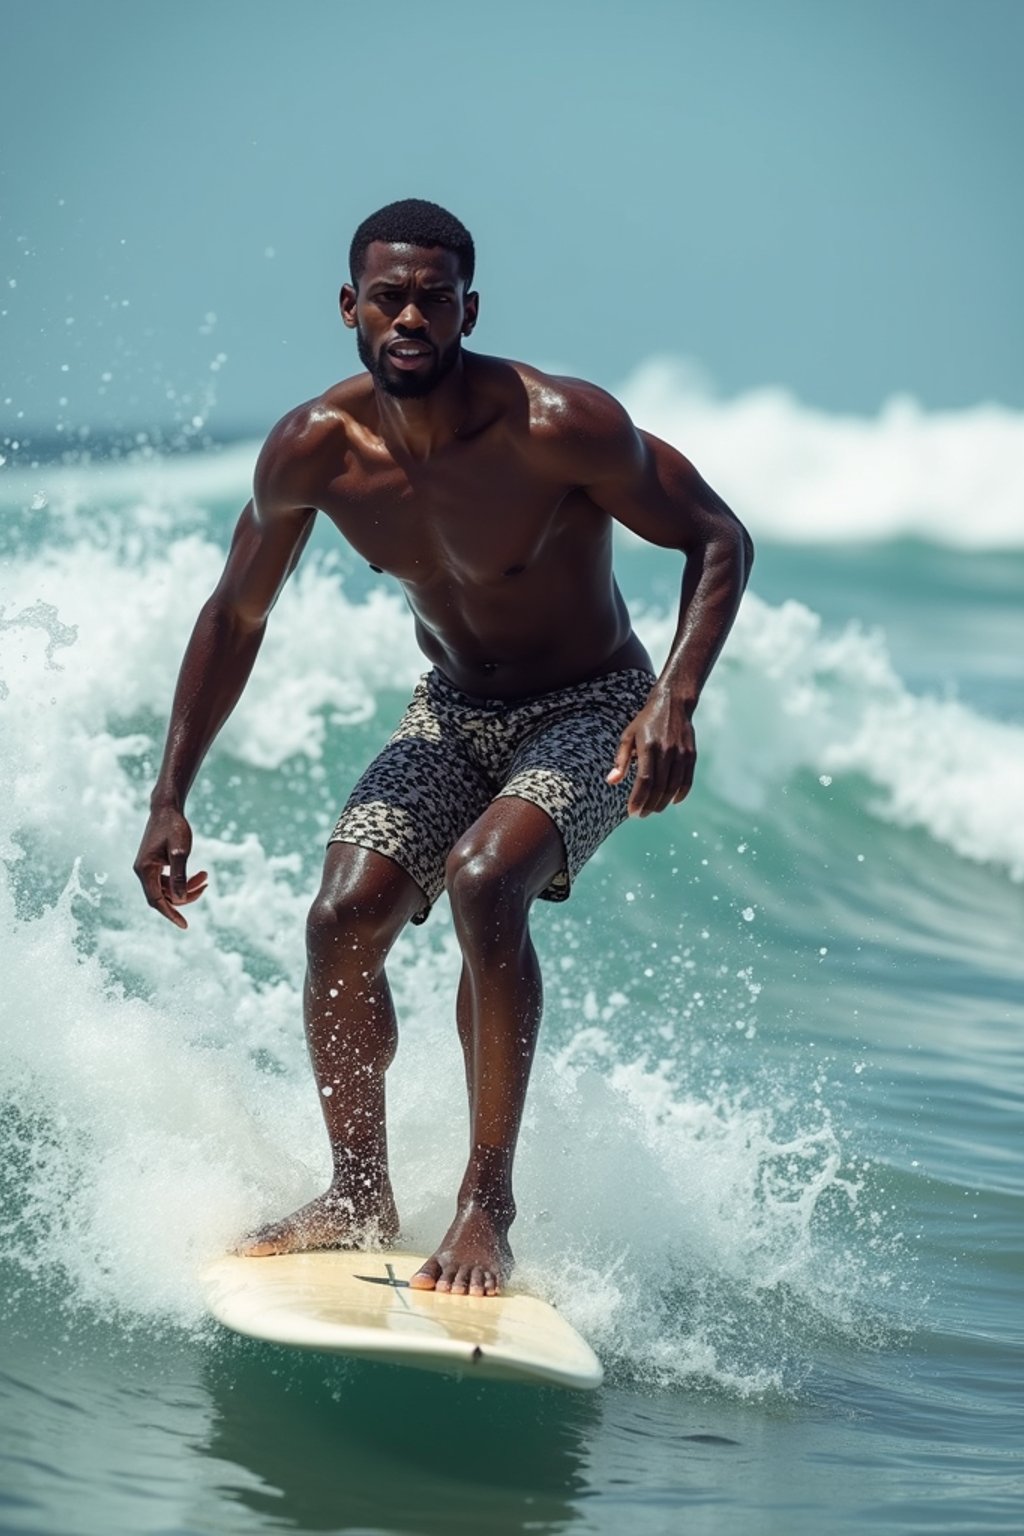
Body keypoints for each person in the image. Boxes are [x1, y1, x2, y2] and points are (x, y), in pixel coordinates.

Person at [134, 198, 754, 1299]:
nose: (409, 315)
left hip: (590, 705)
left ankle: (485, 1204)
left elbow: (716, 536)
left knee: (481, 883)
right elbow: (236, 614)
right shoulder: (315, 452)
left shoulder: (559, 425)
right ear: (349, 308)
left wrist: (673, 700)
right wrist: (170, 793)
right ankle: (359, 1190)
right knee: (342, 917)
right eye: (388, 296)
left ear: (469, 307)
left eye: (432, 297)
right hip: (451, 712)